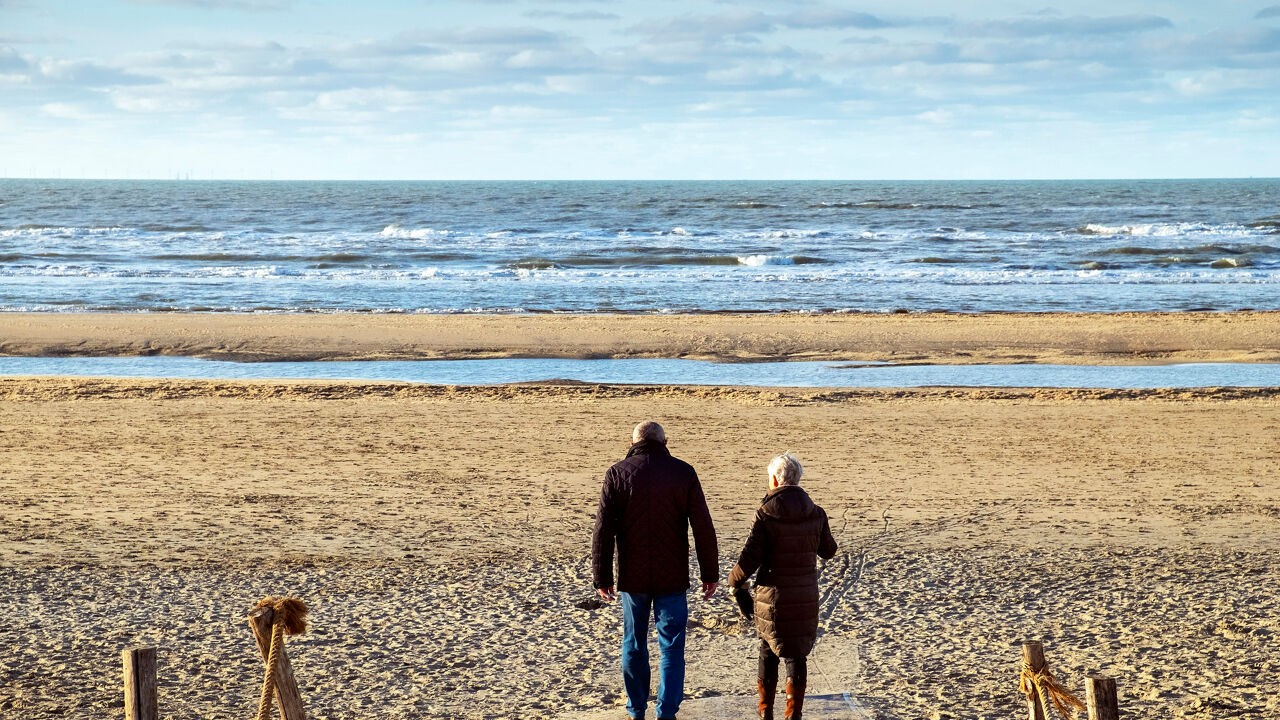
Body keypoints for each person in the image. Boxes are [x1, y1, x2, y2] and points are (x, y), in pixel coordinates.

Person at [592, 421, 719, 720]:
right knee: (672, 646)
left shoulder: (618, 473)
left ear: (634, 441)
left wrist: (602, 577)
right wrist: (709, 573)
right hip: (671, 575)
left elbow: (603, 529)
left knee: (634, 642)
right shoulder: (683, 472)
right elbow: (702, 526)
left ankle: (636, 710)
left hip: (633, 576)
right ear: (665, 441)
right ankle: (666, 712)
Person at [727, 453, 837, 720]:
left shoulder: (766, 514)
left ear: (775, 479)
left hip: (772, 595)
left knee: (767, 648)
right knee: (797, 654)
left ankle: (765, 712)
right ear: (797, 480)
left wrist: (734, 583)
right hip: (805, 594)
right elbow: (829, 550)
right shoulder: (816, 512)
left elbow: (748, 560)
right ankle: (793, 714)